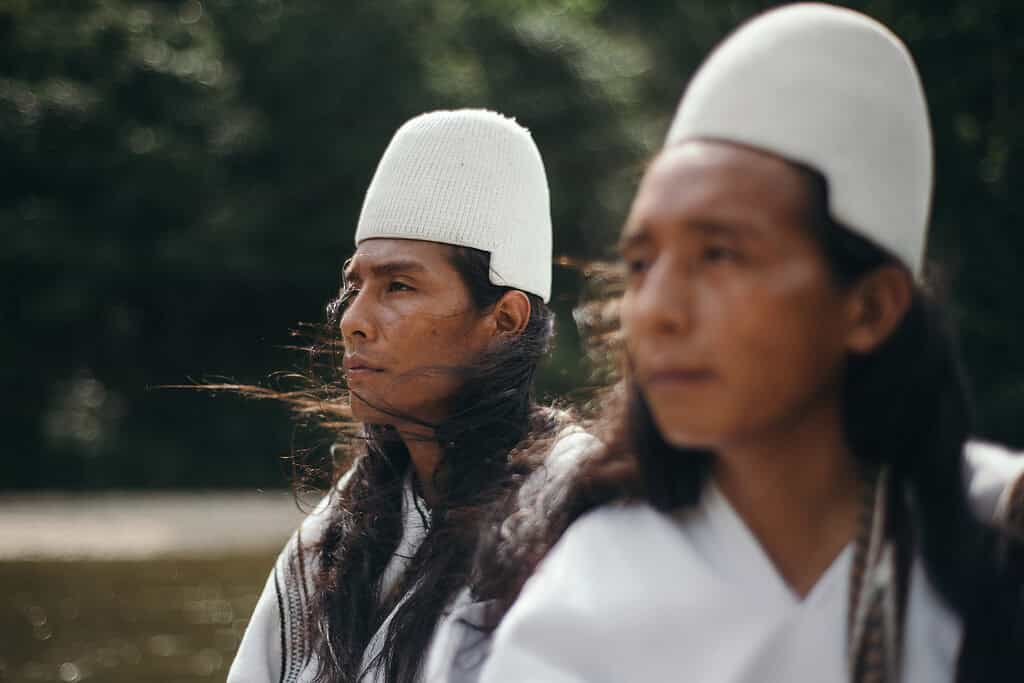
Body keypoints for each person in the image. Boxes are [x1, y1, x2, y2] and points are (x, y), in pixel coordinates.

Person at [472, 5, 1024, 682]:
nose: (658, 312)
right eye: (642, 264)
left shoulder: (990, 539)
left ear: (871, 307)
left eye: (720, 254)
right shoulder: (579, 611)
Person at [226, 108, 594, 683]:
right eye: (355, 286)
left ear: (504, 319)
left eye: (399, 286)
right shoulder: (339, 531)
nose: (354, 320)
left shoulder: (577, 510)